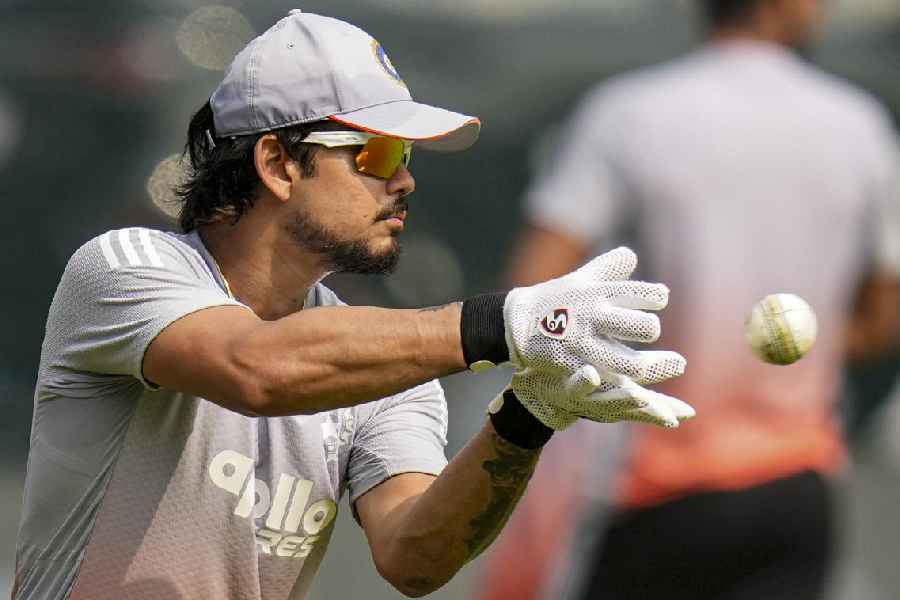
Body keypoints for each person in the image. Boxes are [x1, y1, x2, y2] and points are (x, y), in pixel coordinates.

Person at [11, 10, 695, 600]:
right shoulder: (125, 268)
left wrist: (527, 417)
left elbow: (414, 557)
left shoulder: (381, 364)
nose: (404, 180)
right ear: (278, 164)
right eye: (377, 151)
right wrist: (504, 323)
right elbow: (253, 369)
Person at [482, 0, 900, 599]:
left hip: (651, 488)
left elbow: (527, 301)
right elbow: (881, 322)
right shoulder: (861, 125)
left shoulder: (628, 114)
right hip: (794, 495)